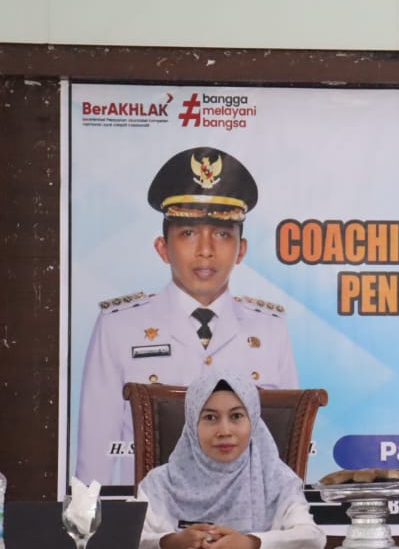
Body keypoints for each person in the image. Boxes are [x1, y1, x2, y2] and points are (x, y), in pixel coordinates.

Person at [77, 146, 299, 486]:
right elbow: (96, 455)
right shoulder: (119, 327)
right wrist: (96, 517)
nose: (205, 250)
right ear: (162, 248)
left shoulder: (270, 329)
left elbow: (286, 451)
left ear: (241, 250)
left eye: (222, 234)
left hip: (246, 514)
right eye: (188, 233)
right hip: (151, 514)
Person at [137, 369, 324, 549]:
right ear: (193, 424)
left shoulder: (277, 479)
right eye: (210, 418)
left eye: (236, 416)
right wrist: (170, 543)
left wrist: (252, 544)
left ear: (253, 422)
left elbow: (312, 539)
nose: (224, 431)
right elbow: (129, 540)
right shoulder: (160, 484)